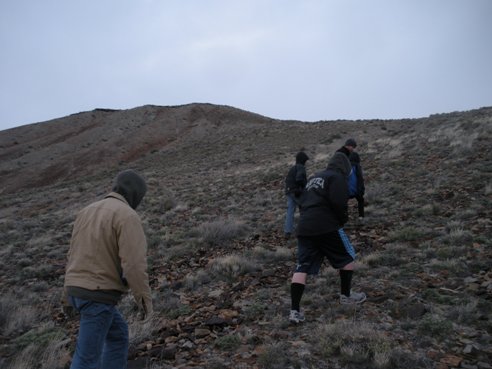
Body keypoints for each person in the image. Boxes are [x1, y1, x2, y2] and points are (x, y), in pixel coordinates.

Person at [63, 169, 154, 369]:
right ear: (135, 194)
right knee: (86, 359)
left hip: (78, 291)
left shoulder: (86, 211)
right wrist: (144, 300)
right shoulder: (127, 215)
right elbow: (134, 265)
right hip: (98, 295)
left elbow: (72, 255)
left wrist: (66, 296)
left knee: (118, 334)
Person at [289, 152, 366, 324]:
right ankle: (346, 296)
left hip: (305, 227)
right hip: (326, 225)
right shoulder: (337, 178)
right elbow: (339, 203)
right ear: (345, 168)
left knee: (302, 266)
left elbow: (302, 201)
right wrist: (341, 220)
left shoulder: (314, 178)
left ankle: (294, 311)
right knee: (348, 257)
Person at [284, 151, 309, 238]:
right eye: (305, 161)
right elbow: (299, 179)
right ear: (303, 160)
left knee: (290, 211)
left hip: (289, 191)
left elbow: (287, 180)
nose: (305, 163)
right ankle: (305, 229)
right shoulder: (300, 167)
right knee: (305, 208)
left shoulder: (293, 168)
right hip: (296, 192)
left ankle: (288, 232)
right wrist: (304, 187)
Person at [348, 151, 366, 221]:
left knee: (343, 203)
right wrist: (362, 189)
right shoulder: (357, 166)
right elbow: (360, 178)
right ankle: (361, 216)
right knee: (361, 200)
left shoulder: (346, 166)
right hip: (357, 190)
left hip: (347, 191)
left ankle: (344, 218)